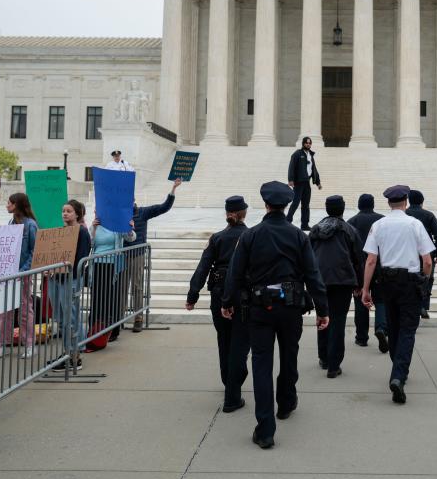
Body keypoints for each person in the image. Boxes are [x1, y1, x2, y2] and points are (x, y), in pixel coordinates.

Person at [221, 181, 330, 449]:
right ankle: (286, 402)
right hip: (291, 307)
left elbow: (235, 272)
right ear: (286, 205)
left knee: (261, 364)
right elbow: (313, 274)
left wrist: (227, 301)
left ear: (266, 204)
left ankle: (266, 427)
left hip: (259, 308)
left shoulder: (251, 235)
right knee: (289, 356)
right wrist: (323, 309)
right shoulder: (298, 236)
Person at [360, 185, 435, 405]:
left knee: (393, 327)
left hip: (386, 282)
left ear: (388, 203)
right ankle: (399, 375)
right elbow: (428, 260)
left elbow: (371, 260)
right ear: (406, 202)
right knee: (407, 330)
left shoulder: (378, 225)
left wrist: (365, 289)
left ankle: (397, 368)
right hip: (409, 281)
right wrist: (425, 281)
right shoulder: (414, 224)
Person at [186, 195, 251, 412]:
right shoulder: (251, 236)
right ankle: (233, 390)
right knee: (241, 343)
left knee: (224, 341)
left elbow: (203, 266)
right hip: (243, 295)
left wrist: (192, 294)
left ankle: (228, 383)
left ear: (227, 214)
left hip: (218, 293)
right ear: (244, 213)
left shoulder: (217, 238)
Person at [309, 195, 363, 378]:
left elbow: (307, 258)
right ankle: (334, 365)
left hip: (320, 281)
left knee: (322, 316)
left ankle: (323, 357)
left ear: (326, 208)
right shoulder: (349, 230)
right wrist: (360, 284)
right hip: (342, 281)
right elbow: (358, 259)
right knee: (338, 321)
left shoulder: (315, 230)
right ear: (343, 208)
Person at [121, 178, 181, 335]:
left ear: (134, 200)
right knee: (121, 288)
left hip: (137, 255)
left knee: (137, 286)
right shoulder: (118, 215)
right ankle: (118, 319)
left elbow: (164, 207)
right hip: (120, 255)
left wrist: (173, 188)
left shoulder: (143, 212)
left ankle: (138, 318)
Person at [0, 193, 39, 359]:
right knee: (5, 309)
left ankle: (29, 343)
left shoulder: (31, 225)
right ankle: (3, 343)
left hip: (22, 273)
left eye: (9, 203)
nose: (7, 205)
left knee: (25, 309)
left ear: (17, 205)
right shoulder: (11, 223)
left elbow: (34, 250)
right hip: (8, 273)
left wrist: (22, 270)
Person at [49, 200, 92, 370]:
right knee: (62, 318)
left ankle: (75, 355)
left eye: (69, 211)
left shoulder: (81, 232)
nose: (65, 213)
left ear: (77, 214)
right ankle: (67, 352)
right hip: (56, 278)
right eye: (63, 210)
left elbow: (81, 257)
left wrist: (65, 268)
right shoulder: (60, 232)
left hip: (71, 279)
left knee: (71, 318)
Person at [86, 214, 136, 352]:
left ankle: (112, 330)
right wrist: (94, 228)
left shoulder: (117, 225)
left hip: (113, 266)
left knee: (111, 299)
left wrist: (129, 228)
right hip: (96, 265)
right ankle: (93, 332)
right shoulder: (95, 226)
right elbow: (90, 244)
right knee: (96, 299)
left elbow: (131, 238)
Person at [347, 193, 385, 351]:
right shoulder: (383, 221)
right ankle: (381, 328)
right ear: (373, 204)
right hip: (380, 267)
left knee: (360, 303)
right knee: (382, 301)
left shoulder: (351, 223)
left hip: (359, 270)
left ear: (359, 205)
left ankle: (361, 337)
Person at [405, 190, 437, 319]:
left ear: (409, 201)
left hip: (408, 252)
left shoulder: (405, 214)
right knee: (427, 278)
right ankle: (423, 306)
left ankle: (410, 306)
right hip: (427, 253)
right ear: (422, 201)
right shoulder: (429, 215)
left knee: (408, 278)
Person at [286, 136, 321, 231]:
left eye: (310, 143)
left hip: (307, 183)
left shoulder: (310, 155)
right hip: (298, 183)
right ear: (303, 143)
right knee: (295, 203)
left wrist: (317, 182)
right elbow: (291, 166)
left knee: (306, 205)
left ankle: (304, 225)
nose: (308, 144)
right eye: (306, 143)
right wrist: (291, 179)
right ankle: (287, 222)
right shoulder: (297, 154)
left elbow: (314, 169)